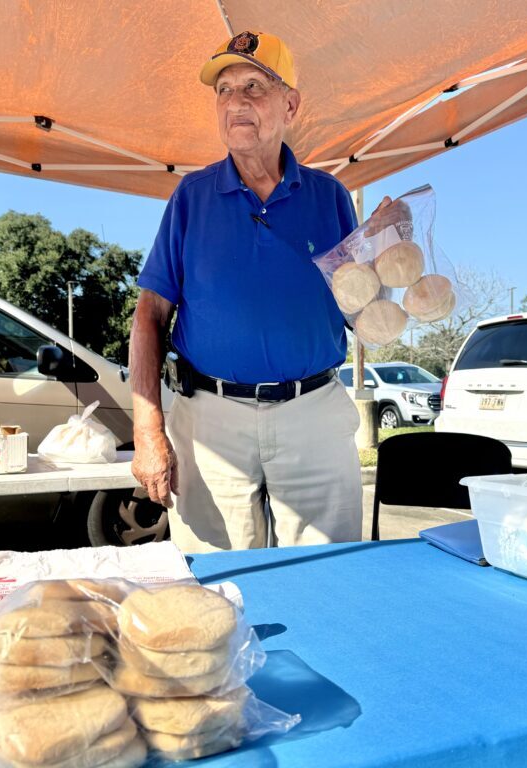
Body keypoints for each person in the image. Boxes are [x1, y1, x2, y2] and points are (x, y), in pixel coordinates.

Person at [130, 30, 398, 553]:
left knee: (327, 576)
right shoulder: (191, 197)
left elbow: (365, 313)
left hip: (314, 412)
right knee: (217, 586)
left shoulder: (331, 197)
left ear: (290, 105)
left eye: (255, 85)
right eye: (224, 90)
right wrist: (148, 431)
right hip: (210, 418)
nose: (237, 101)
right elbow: (149, 316)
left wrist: (387, 247)